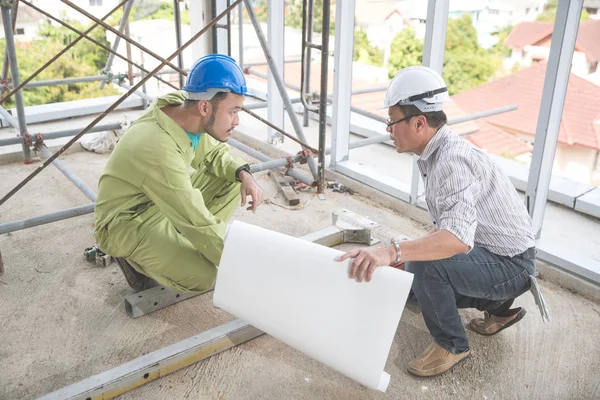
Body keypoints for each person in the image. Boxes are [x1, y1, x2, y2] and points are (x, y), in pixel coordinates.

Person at [338, 66, 540, 377]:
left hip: (511, 267)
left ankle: (452, 344)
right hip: (499, 257)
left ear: (418, 123)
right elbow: (455, 227)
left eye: (392, 120)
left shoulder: (451, 161)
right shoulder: (438, 153)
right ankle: (499, 310)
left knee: (423, 267)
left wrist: (394, 252)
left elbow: (456, 240)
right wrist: (402, 254)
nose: (389, 129)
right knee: (412, 280)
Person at [94, 54, 263, 294]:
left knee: (230, 176)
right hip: (127, 221)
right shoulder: (158, 148)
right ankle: (135, 261)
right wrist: (248, 267)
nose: (236, 121)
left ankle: (185, 247)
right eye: (233, 112)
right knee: (204, 276)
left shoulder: (184, 109)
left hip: (158, 201)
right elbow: (196, 220)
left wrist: (243, 173)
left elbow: (215, 155)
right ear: (205, 106)